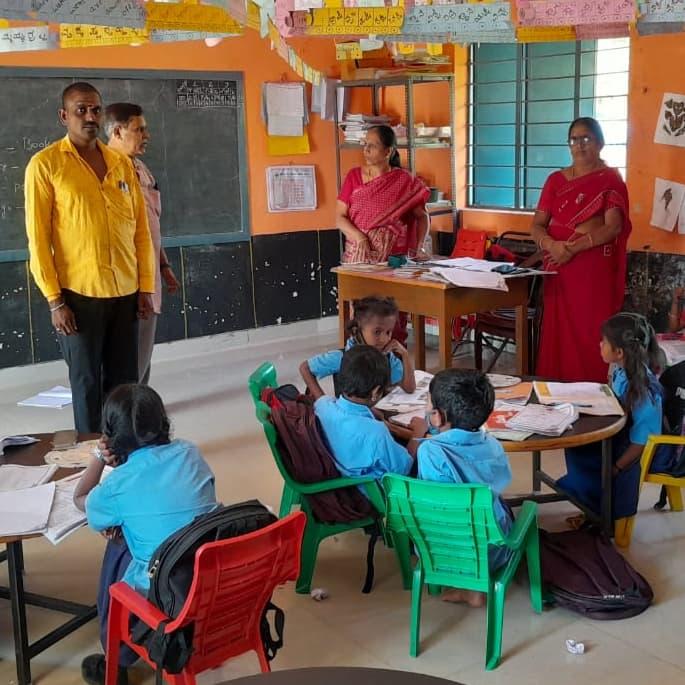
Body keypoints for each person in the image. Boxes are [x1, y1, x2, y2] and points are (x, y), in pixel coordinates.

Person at [25, 82, 155, 433]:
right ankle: (91, 459)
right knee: (86, 384)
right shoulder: (45, 165)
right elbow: (37, 240)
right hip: (78, 296)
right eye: (81, 110)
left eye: (96, 109)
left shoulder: (120, 163)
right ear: (64, 116)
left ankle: (124, 454)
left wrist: (145, 287)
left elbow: (140, 231)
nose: (90, 116)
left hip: (125, 292)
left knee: (125, 384)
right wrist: (55, 301)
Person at [73, 384, 217, 685]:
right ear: (163, 421)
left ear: (112, 437)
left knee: (118, 545)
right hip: (211, 582)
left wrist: (100, 456)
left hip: (164, 597)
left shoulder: (118, 485)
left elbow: (80, 499)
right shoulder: (190, 452)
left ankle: (118, 658)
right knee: (136, 534)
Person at [530, 117, 631, 383]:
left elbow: (613, 227)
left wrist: (573, 248)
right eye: (574, 139)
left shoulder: (610, 180)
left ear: (600, 143)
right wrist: (552, 245)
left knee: (592, 334)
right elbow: (537, 225)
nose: (579, 144)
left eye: (586, 138)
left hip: (591, 272)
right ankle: (556, 395)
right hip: (558, 269)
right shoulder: (555, 180)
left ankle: (595, 397)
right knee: (558, 335)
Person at [409, 368, 513, 607]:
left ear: (438, 417)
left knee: (452, 517)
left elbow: (437, 504)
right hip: (492, 547)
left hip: (438, 549)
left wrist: (420, 436)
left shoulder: (429, 451)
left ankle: (468, 587)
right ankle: (475, 585)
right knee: (498, 509)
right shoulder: (494, 445)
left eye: (428, 400)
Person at [558, 313, 663, 525]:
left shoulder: (644, 392)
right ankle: (589, 504)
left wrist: (616, 467)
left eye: (604, 342)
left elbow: (641, 442)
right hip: (617, 433)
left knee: (584, 452)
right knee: (575, 443)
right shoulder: (619, 367)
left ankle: (599, 514)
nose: (599, 345)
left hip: (627, 452)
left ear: (619, 352)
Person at [104, 102, 180, 385]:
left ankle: (138, 411)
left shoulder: (139, 167)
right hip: (129, 283)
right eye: (139, 129)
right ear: (118, 131)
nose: (146, 135)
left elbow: (149, 224)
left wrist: (164, 264)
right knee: (129, 360)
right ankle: (128, 418)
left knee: (143, 354)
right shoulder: (107, 170)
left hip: (150, 276)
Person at [312, 345, 413, 485]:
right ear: (376, 392)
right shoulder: (377, 433)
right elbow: (404, 469)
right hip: (374, 496)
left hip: (340, 484)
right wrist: (416, 435)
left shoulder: (322, 406)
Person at [337, 125, 430, 265]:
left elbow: (422, 216)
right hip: (358, 255)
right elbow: (339, 217)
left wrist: (420, 246)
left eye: (372, 145)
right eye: (365, 144)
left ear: (387, 151)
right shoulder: (353, 176)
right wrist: (360, 237)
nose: (366, 149)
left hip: (392, 260)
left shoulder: (404, 181)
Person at [300, 295, 416, 395]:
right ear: (358, 329)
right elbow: (305, 368)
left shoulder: (387, 357)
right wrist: (322, 400)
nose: (384, 339)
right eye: (377, 332)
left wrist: (404, 354)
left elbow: (409, 388)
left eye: (388, 332)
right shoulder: (342, 357)